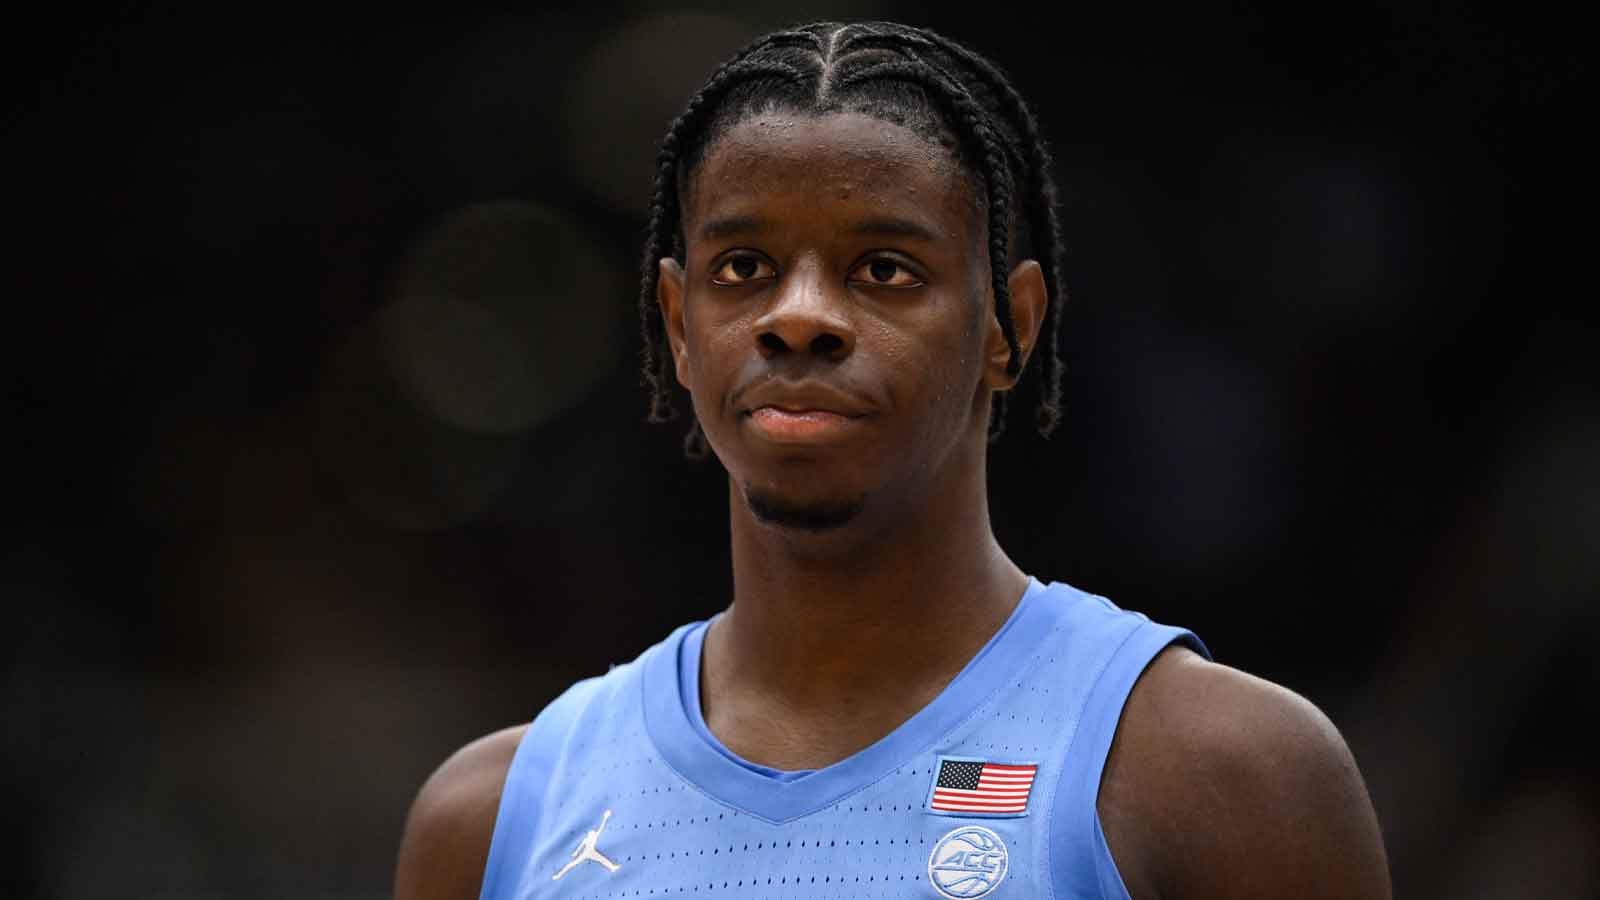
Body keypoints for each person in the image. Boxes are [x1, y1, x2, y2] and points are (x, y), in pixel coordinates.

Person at [393, 21, 1391, 900]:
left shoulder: (1220, 771)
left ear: (1010, 325)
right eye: (744, 268)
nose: (798, 317)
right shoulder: (494, 819)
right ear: (679, 325)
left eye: (883, 269)